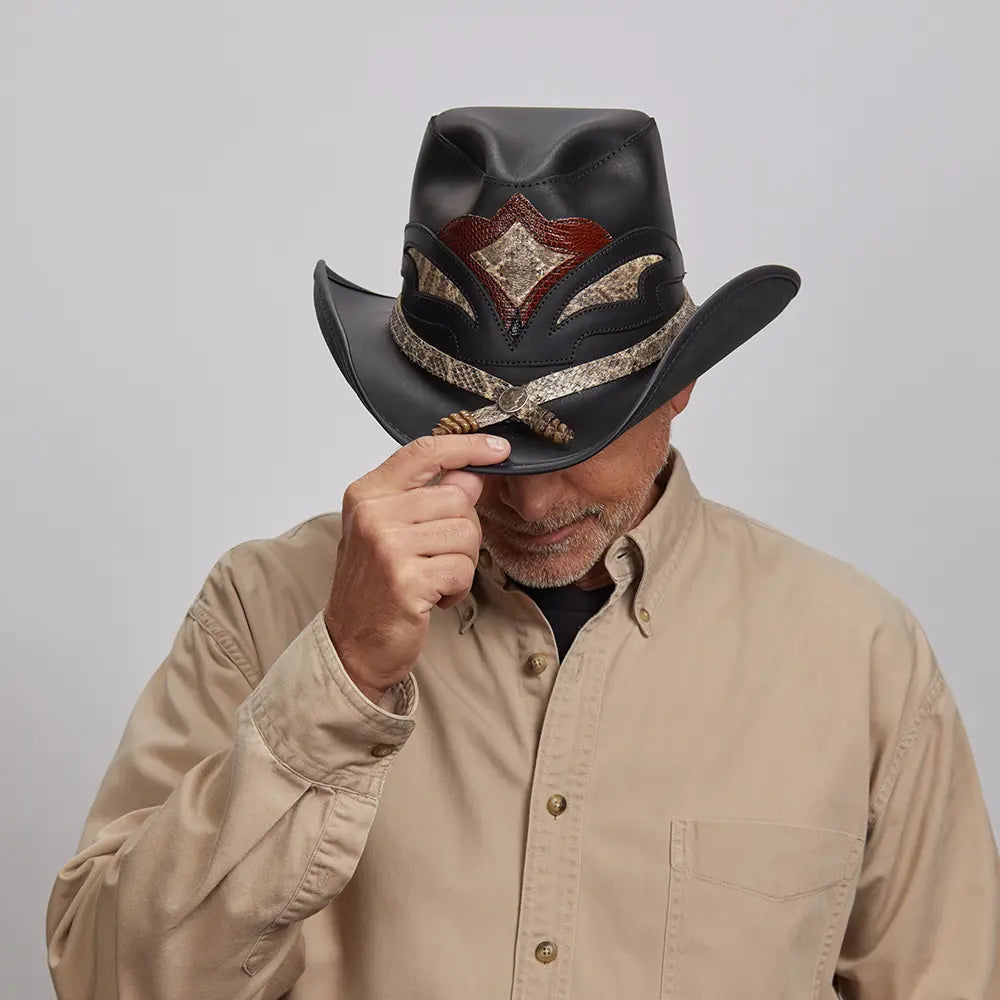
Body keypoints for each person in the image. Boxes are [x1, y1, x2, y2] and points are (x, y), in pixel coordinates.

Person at [46, 107, 999, 999]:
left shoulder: (858, 655)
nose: (534, 494)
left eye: (581, 439)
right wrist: (338, 677)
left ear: (680, 385)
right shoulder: (264, 607)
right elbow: (105, 977)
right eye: (480, 439)